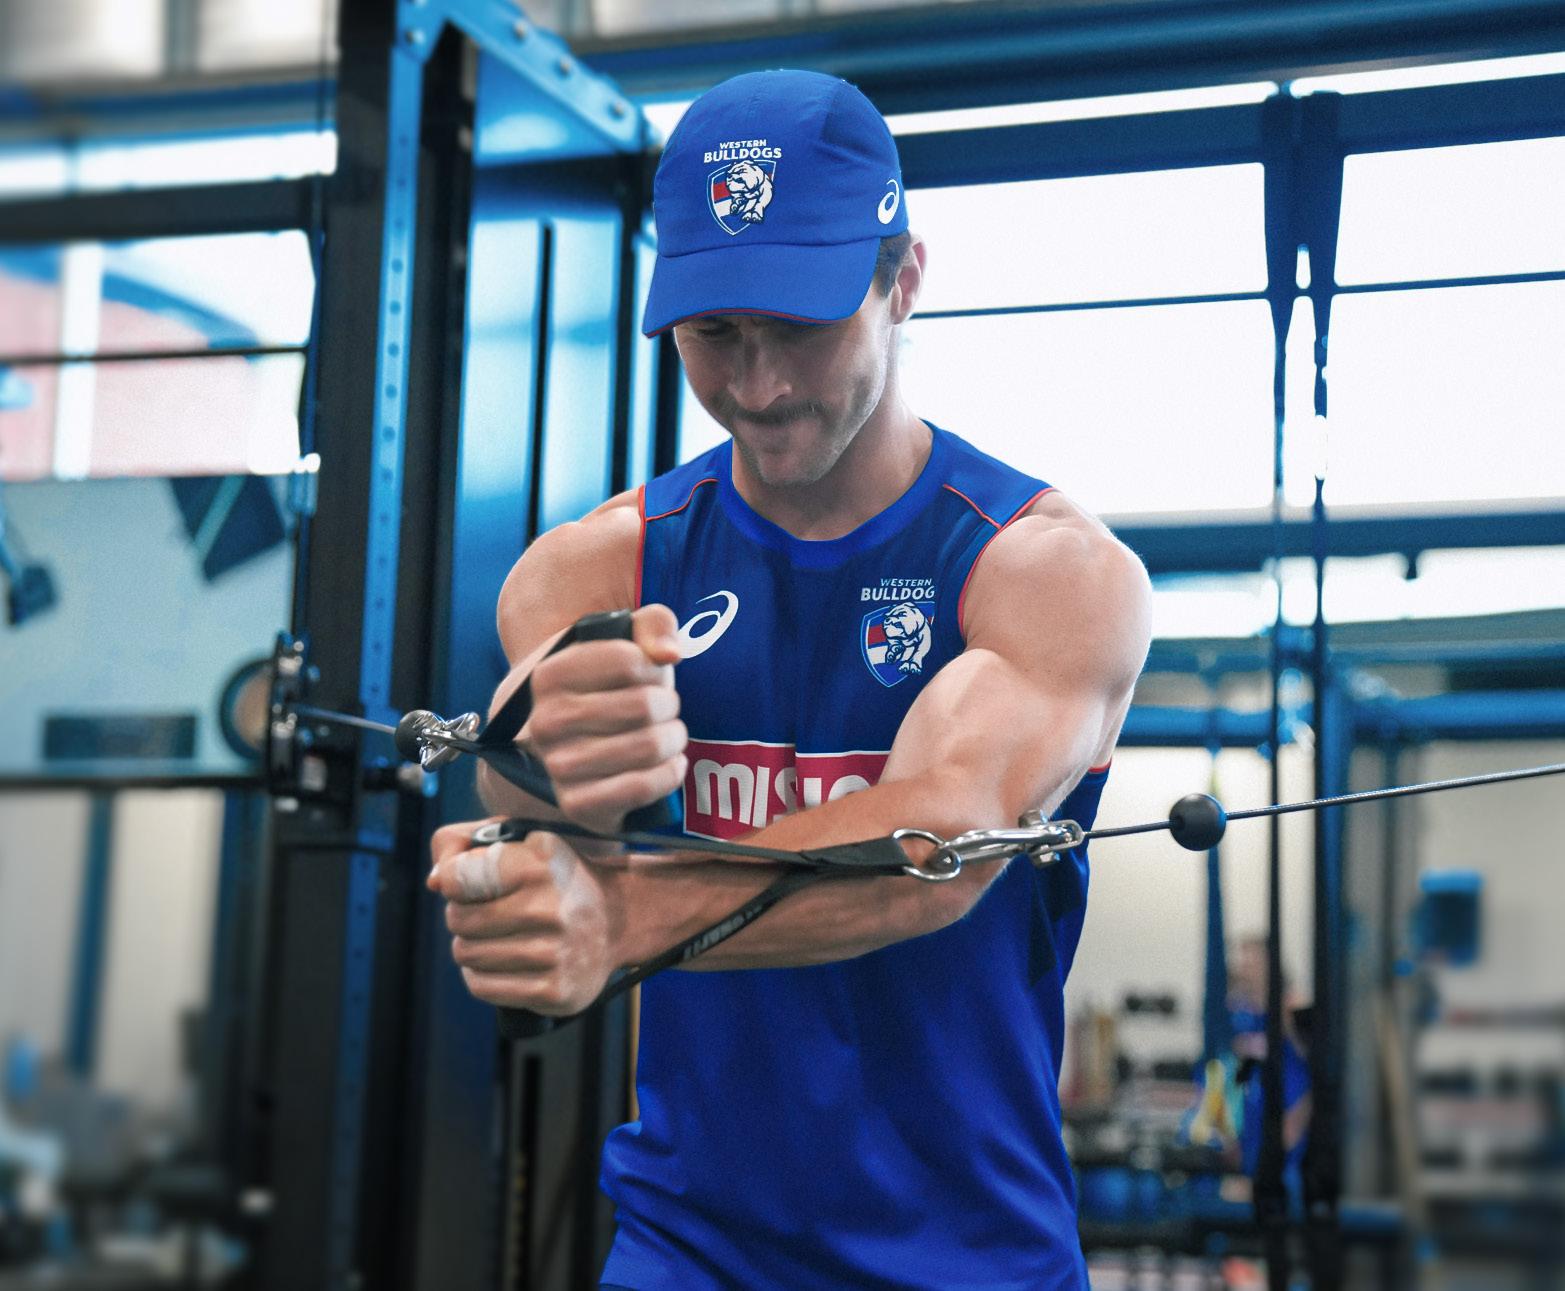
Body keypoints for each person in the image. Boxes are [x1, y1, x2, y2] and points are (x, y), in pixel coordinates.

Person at [427, 68, 1152, 1290]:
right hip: (687, 1243)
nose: (757, 387)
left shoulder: (1038, 573)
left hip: (969, 1253)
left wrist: (623, 913)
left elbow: (939, 836)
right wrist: (529, 782)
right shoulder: (594, 569)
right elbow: (537, 805)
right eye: (714, 335)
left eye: (800, 327)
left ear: (901, 280)